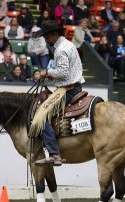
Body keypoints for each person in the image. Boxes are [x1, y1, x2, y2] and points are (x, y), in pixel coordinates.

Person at [32, 20, 85, 166]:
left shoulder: (61, 49)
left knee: (41, 116)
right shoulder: (69, 45)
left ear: (54, 34)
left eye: (47, 37)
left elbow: (62, 72)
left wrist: (46, 72)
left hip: (68, 90)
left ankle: (54, 153)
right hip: (74, 86)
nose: (46, 40)